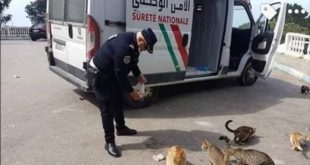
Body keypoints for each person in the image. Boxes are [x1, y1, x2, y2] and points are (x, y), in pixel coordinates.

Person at [90, 28, 157, 157]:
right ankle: (109, 142)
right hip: (100, 75)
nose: (143, 50)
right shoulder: (124, 46)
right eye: (145, 48)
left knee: (117, 101)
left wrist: (138, 74)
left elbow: (132, 61)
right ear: (141, 40)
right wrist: (131, 92)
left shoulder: (133, 43)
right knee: (107, 110)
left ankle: (121, 128)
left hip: (111, 74)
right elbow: (120, 73)